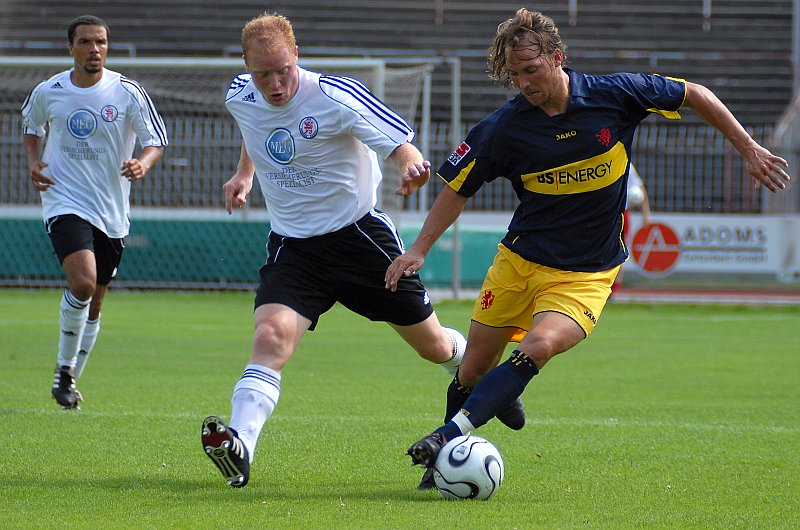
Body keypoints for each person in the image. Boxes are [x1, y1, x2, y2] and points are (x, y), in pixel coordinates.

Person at [385, 7, 790, 489]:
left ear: (558, 58)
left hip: (587, 272)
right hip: (519, 261)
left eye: (530, 71)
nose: (523, 84)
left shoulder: (614, 95)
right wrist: (419, 249)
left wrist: (747, 146)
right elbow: (457, 188)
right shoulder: (504, 128)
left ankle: (441, 448)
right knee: (472, 369)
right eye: (513, 75)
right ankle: (496, 394)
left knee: (539, 346)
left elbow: (695, 94)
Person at [199, 13, 520, 489]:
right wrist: (245, 173)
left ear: (297, 55)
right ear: (247, 67)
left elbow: (400, 142)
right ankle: (241, 447)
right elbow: (254, 128)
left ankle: (471, 365)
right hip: (294, 247)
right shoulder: (239, 95)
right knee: (270, 337)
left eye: (282, 69)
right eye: (262, 73)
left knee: (432, 346)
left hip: (359, 241)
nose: (274, 83)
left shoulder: (334, 95)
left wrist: (413, 166)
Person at [21, 15, 167, 410]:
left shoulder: (127, 92)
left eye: (101, 42)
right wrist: (34, 162)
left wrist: (143, 164)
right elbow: (31, 126)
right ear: (71, 48)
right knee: (83, 284)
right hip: (64, 199)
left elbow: (156, 140)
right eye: (85, 42)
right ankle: (63, 371)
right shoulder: (49, 91)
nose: (94, 49)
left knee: (96, 300)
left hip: (111, 209)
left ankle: (68, 378)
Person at [612, 163, 651, 293]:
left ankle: (614, 287)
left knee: (619, 249)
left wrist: (646, 213)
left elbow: (640, 188)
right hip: (605, 212)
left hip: (622, 213)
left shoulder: (626, 164)